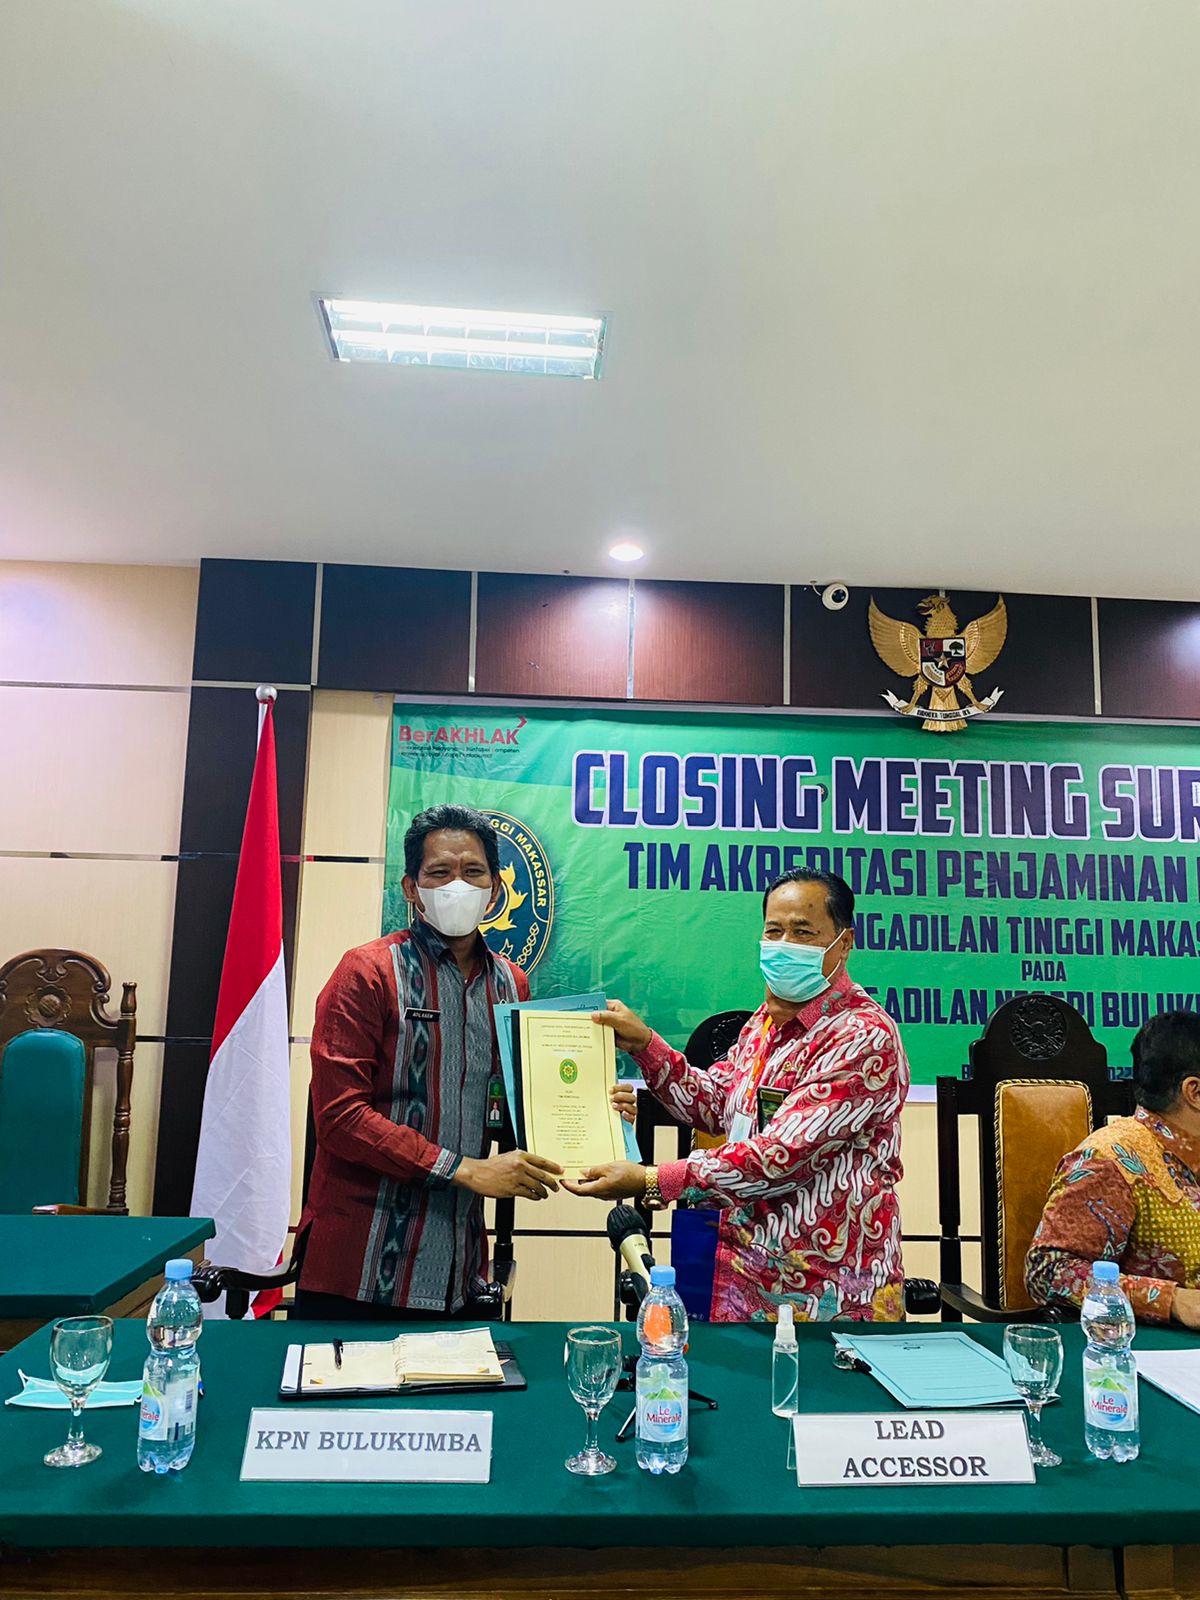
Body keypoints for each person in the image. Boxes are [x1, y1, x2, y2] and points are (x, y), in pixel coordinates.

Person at [564, 868, 909, 1323]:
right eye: (774, 931)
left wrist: (652, 1179)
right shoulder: (764, 1024)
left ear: (843, 943)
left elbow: (780, 1156)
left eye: (803, 932)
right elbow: (714, 1104)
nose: (784, 944)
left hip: (829, 1297)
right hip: (743, 1281)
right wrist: (645, 1045)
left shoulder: (863, 1035)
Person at [293, 804, 566, 1321]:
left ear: (495, 888)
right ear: (411, 889)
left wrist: (593, 1110)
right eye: (439, 872)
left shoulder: (512, 985)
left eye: (473, 871)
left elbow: (511, 1108)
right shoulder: (367, 973)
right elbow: (340, 1119)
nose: (457, 885)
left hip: (458, 1272)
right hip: (360, 1268)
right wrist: (463, 1169)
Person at [1026, 1009, 1200, 1327]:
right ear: (1195, 1092)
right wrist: (1172, 1301)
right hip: (1145, 1345)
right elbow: (1048, 1271)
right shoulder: (1109, 1161)